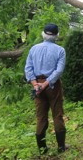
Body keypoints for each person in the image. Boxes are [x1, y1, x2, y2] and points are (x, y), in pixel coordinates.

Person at [24, 23, 67, 154]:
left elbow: (28, 68)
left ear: (43, 34)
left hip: (37, 85)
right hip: (53, 85)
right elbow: (59, 70)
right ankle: (61, 147)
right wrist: (47, 83)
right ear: (57, 35)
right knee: (57, 114)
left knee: (41, 117)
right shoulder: (60, 50)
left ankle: (42, 149)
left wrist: (35, 84)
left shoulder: (33, 49)